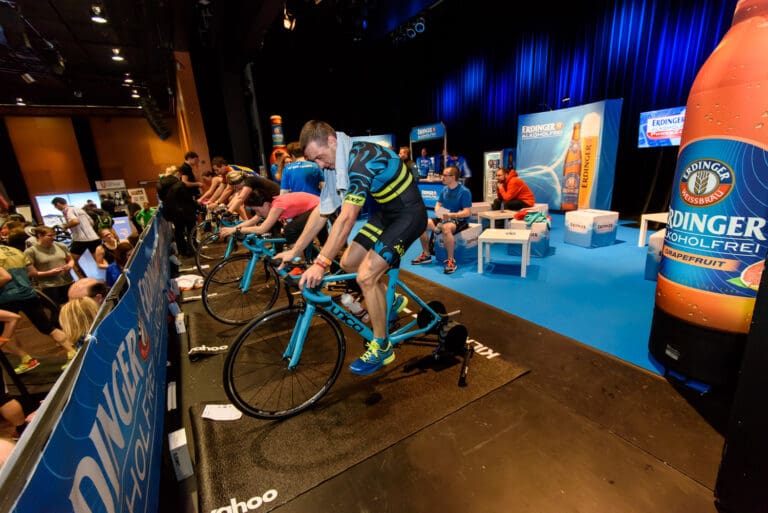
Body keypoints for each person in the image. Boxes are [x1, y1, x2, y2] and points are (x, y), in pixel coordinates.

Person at [274, 120, 426, 376]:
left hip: (408, 215)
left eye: (320, 157)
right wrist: (296, 250)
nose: (320, 166)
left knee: (366, 275)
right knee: (348, 263)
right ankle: (393, 299)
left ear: (332, 141)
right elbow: (322, 212)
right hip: (385, 214)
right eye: (315, 161)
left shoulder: (359, 160)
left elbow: (346, 218)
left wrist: (320, 263)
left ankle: (382, 346)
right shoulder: (337, 162)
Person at [0, 244, 76, 371]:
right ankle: (71, 351)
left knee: (5, 334)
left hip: (6, 298)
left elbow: (6, 277)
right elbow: (32, 272)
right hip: (28, 294)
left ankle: (26, 359)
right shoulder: (16, 250)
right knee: (47, 327)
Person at [221, 191, 327, 261]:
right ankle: (310, 258)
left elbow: (262, 229)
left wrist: (237, 230)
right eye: (255, 211)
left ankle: (299, 263)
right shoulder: (266, 205)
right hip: (315, 206)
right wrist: (233, 229)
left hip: (319, 207)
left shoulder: (276, 206)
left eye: (257, 210)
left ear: (266, 204)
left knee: (290, 229)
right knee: (296, 233)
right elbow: (251, 221)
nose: (258, 213)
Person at [411, 165, 472, 274]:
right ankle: (426, 254)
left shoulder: (464, 191)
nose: (442, 177)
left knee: (446, 228)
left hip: (459, 220)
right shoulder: (444, 189)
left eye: (444, 175)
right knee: (422, 224)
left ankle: (451, 260)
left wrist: (451, 215)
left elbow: (467, 212)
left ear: (453, 177)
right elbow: (438, 205)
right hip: (444, 217)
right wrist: (439, 211)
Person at [24, 226, 75, 306]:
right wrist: (49, 273)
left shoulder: (61, 246)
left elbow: (71, 260)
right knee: (56, 309)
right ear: (40, 236)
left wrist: (69, 266)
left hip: (67, 281)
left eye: (54, 235)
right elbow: (31, 273)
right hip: (49, 286)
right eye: (50, 236)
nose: (53, 238)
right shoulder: (30, 251)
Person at [51, 196, 101, 277]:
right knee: (100, 261)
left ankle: (83, 279)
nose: (55, 208)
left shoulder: (67, 210)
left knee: (71, 261)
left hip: (80, 240)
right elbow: (91, 222)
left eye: (55, 206)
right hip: (94, 238)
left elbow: (75, 221)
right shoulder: (79, 209)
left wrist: (65, 226)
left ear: (58, 204)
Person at [157, 169, 198, 256]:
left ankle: (182, 251)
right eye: (180, 175)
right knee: (192, 229)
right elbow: (187, 198)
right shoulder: (179, 184)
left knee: (178, 230)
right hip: (185, 211)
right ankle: (192, 249)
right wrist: (196, 205)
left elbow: (162, 198)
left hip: (172, 212)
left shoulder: (160, 184)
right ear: (177, 173)